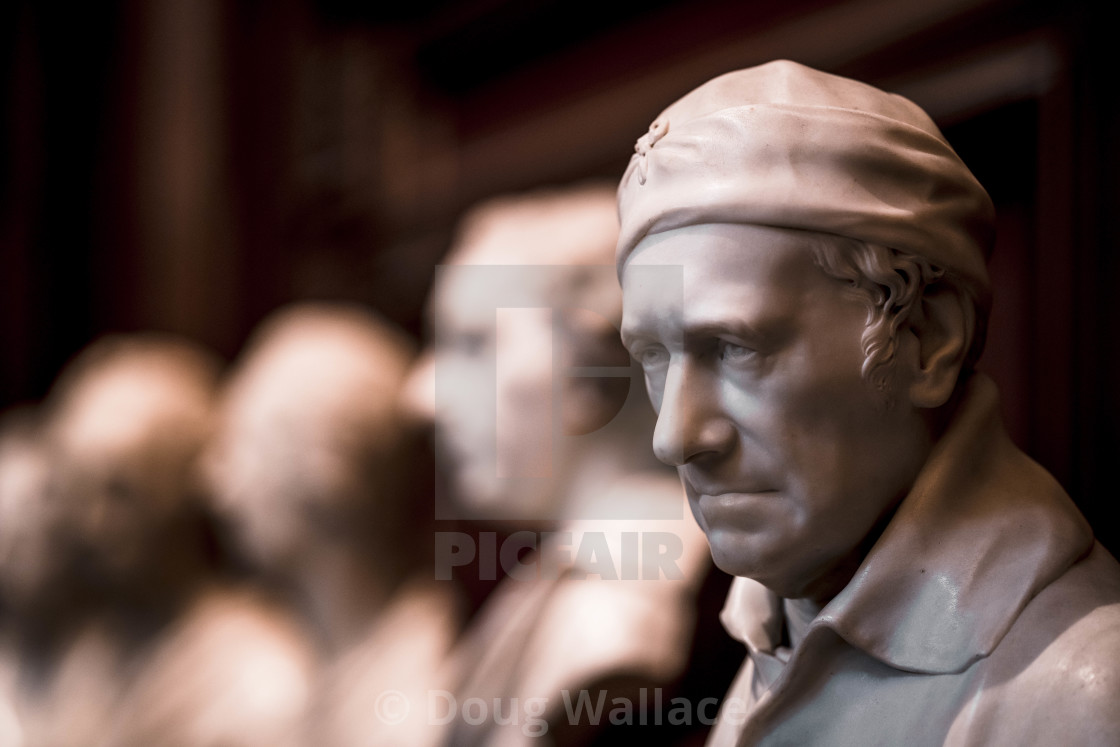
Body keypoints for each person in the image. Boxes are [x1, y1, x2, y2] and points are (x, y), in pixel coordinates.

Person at [615, 59, 1120, 745]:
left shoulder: (1080, 694)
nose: (674, 436)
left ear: (925, 339)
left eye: (736, 347)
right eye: (653, 356)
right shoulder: (777, 624)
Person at [405, 182, 724, 745]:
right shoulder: (567, 578)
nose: (422, 397)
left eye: (474, 343)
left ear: (592, 372)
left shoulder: (614, 612)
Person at [203, 302, 459, 747]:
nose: (217, 482)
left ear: (324, 472)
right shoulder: (291, 669)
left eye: (244, 448)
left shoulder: (427, 685)